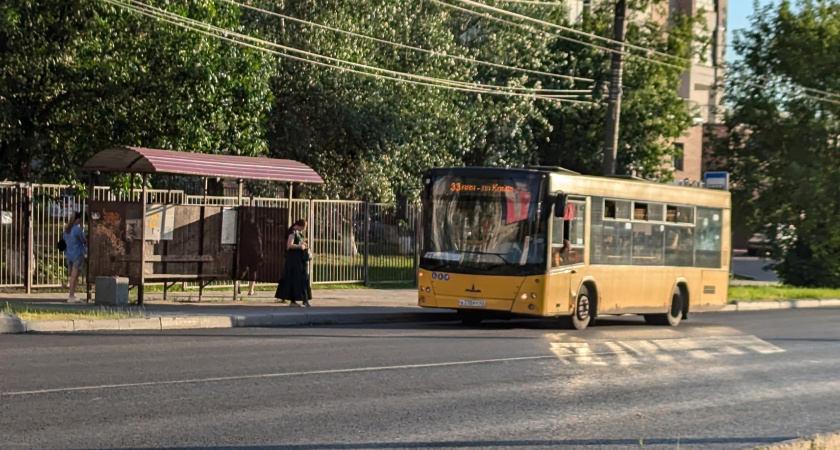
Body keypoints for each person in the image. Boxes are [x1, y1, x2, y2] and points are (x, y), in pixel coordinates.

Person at [274, 219, 312, 307]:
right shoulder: (292, 232)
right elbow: (289, 245)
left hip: (297, 259)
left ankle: (302, 299)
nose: (304, 229)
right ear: (300, 225)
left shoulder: (296, 232)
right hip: (294, 259)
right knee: (298, 278)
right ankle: (300, 299)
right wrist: (300, 246)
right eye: (304, 227)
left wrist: (302, 244)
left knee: (299, 278)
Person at [63, 211, 87, 303]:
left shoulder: (67, 229)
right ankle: (71, 295)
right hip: (77, 254)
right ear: (77, 219)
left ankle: (72, 293)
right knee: (74, 275)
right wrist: (81, 228)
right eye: (80, 219)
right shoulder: (77, 230)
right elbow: (83, 240)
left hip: (69, 254)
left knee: (73, 275)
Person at [238, 210, 263, 296]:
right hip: (253, 250)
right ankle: (251, 290)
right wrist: (260, 251)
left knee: (243, 269)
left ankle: (237, 284)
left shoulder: (242, 225)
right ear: (252, 217)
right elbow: (259, 239)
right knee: (253, 270)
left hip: (243, 249)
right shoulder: (255, 226)